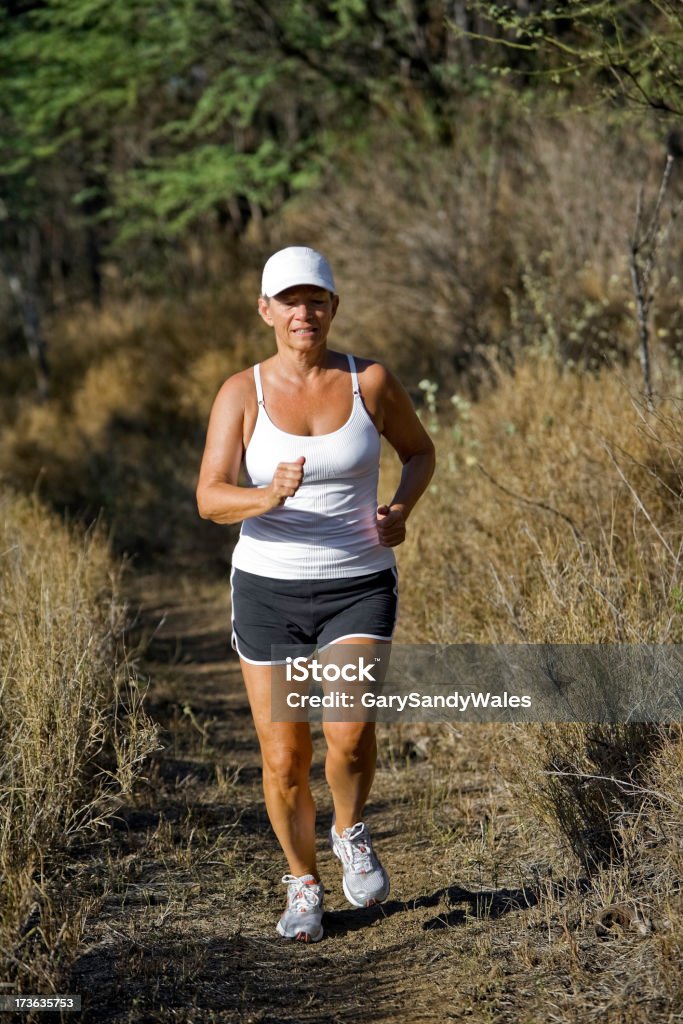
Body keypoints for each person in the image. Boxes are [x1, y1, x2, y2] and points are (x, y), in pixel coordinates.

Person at [196, 246, 435, 942]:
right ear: (265, 310)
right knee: (283, 756)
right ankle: (302, 885)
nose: (305, 312)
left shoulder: (370, 382)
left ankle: (349, 832)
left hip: (357, 584)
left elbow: (420, 451)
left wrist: (400, 510)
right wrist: (264, 494)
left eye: (318, 300)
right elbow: (210, 498)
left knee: (351, 735)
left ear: (333, 306)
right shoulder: (242, 393)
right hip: (269, 591)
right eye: (290, 301)